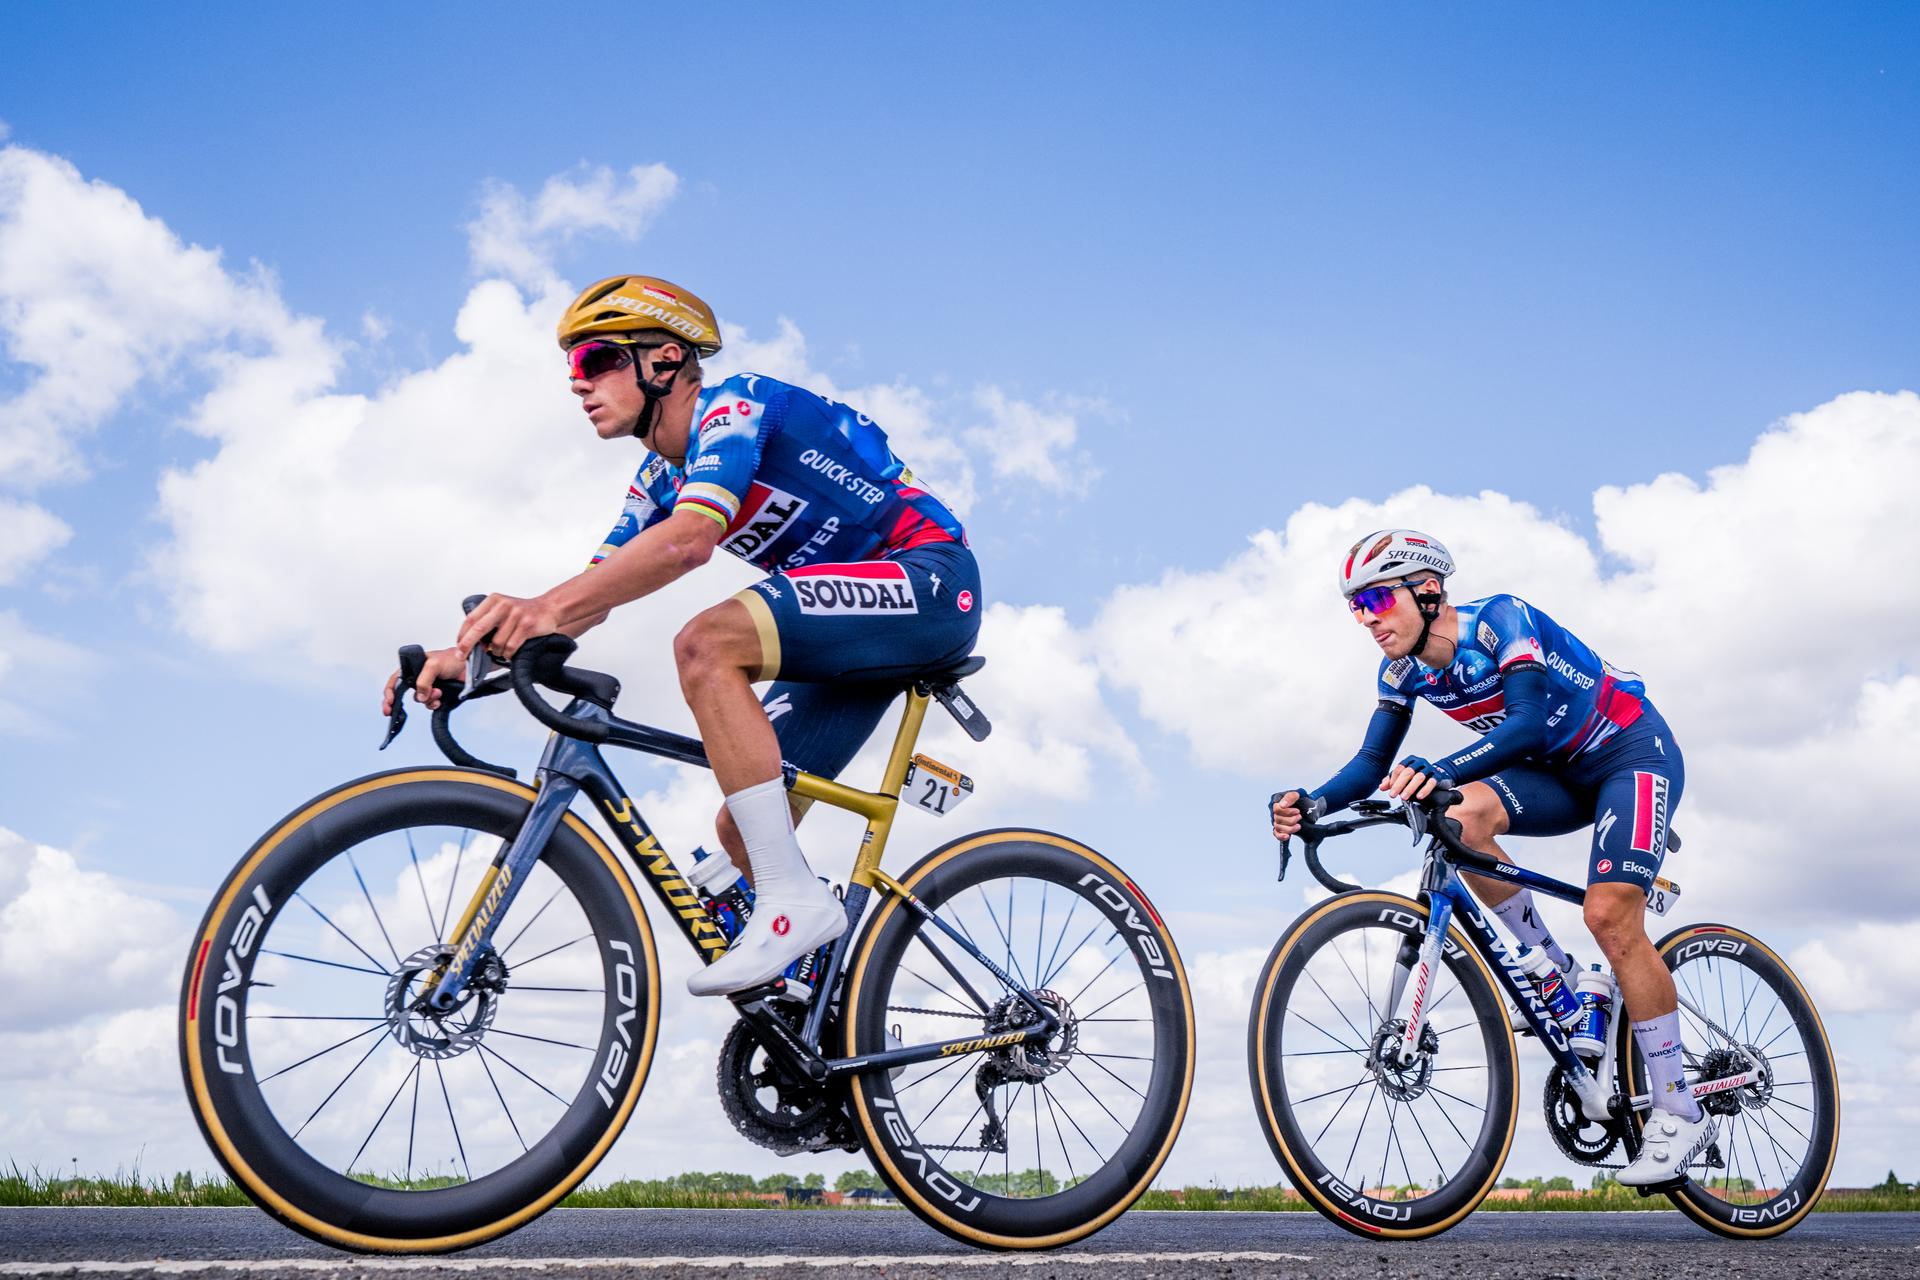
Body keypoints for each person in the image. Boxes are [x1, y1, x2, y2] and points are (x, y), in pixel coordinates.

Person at [383, 275, 980, 995]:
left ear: (664, 360)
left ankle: (793, 907)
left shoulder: (737, 406)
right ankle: (826, 1007)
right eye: (572, 367)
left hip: (928, 580)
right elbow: (587, 598)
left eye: (595, 359)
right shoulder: (655, 480)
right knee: (744, 827)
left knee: (707, 642)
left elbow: (691, 542)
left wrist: (540, 608)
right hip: (849, 633)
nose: (578, 383)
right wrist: (468, 655)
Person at [1268, 529, 1711, 1187]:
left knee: (1611, 919)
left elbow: (1527, 725)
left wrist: (1437, 766)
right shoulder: (1401, 670)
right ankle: (1555, 976)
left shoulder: (1502, 620)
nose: (1368, 620)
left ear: (1428, 590)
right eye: (1356, 607)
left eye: (1378, 600)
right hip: (1558, 775)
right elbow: (1370, 764)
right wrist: (1314, 802)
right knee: (1458, 815)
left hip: (1629, 754)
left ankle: (1679, 1107)